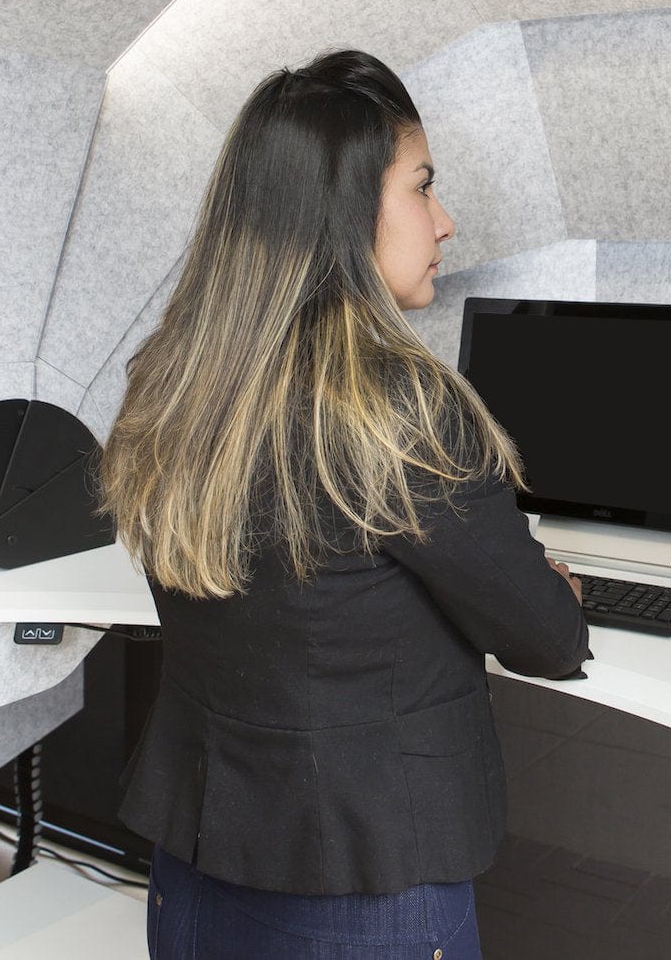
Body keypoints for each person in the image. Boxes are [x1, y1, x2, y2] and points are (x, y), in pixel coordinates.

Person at [96, 49, 592, 959]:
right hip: (361, 887)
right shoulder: (394, 408)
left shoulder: (178, 381)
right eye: (422, 187)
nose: (445, 220)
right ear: (346, 208)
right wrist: (551, 586)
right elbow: (548, 637)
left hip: (194, 873)